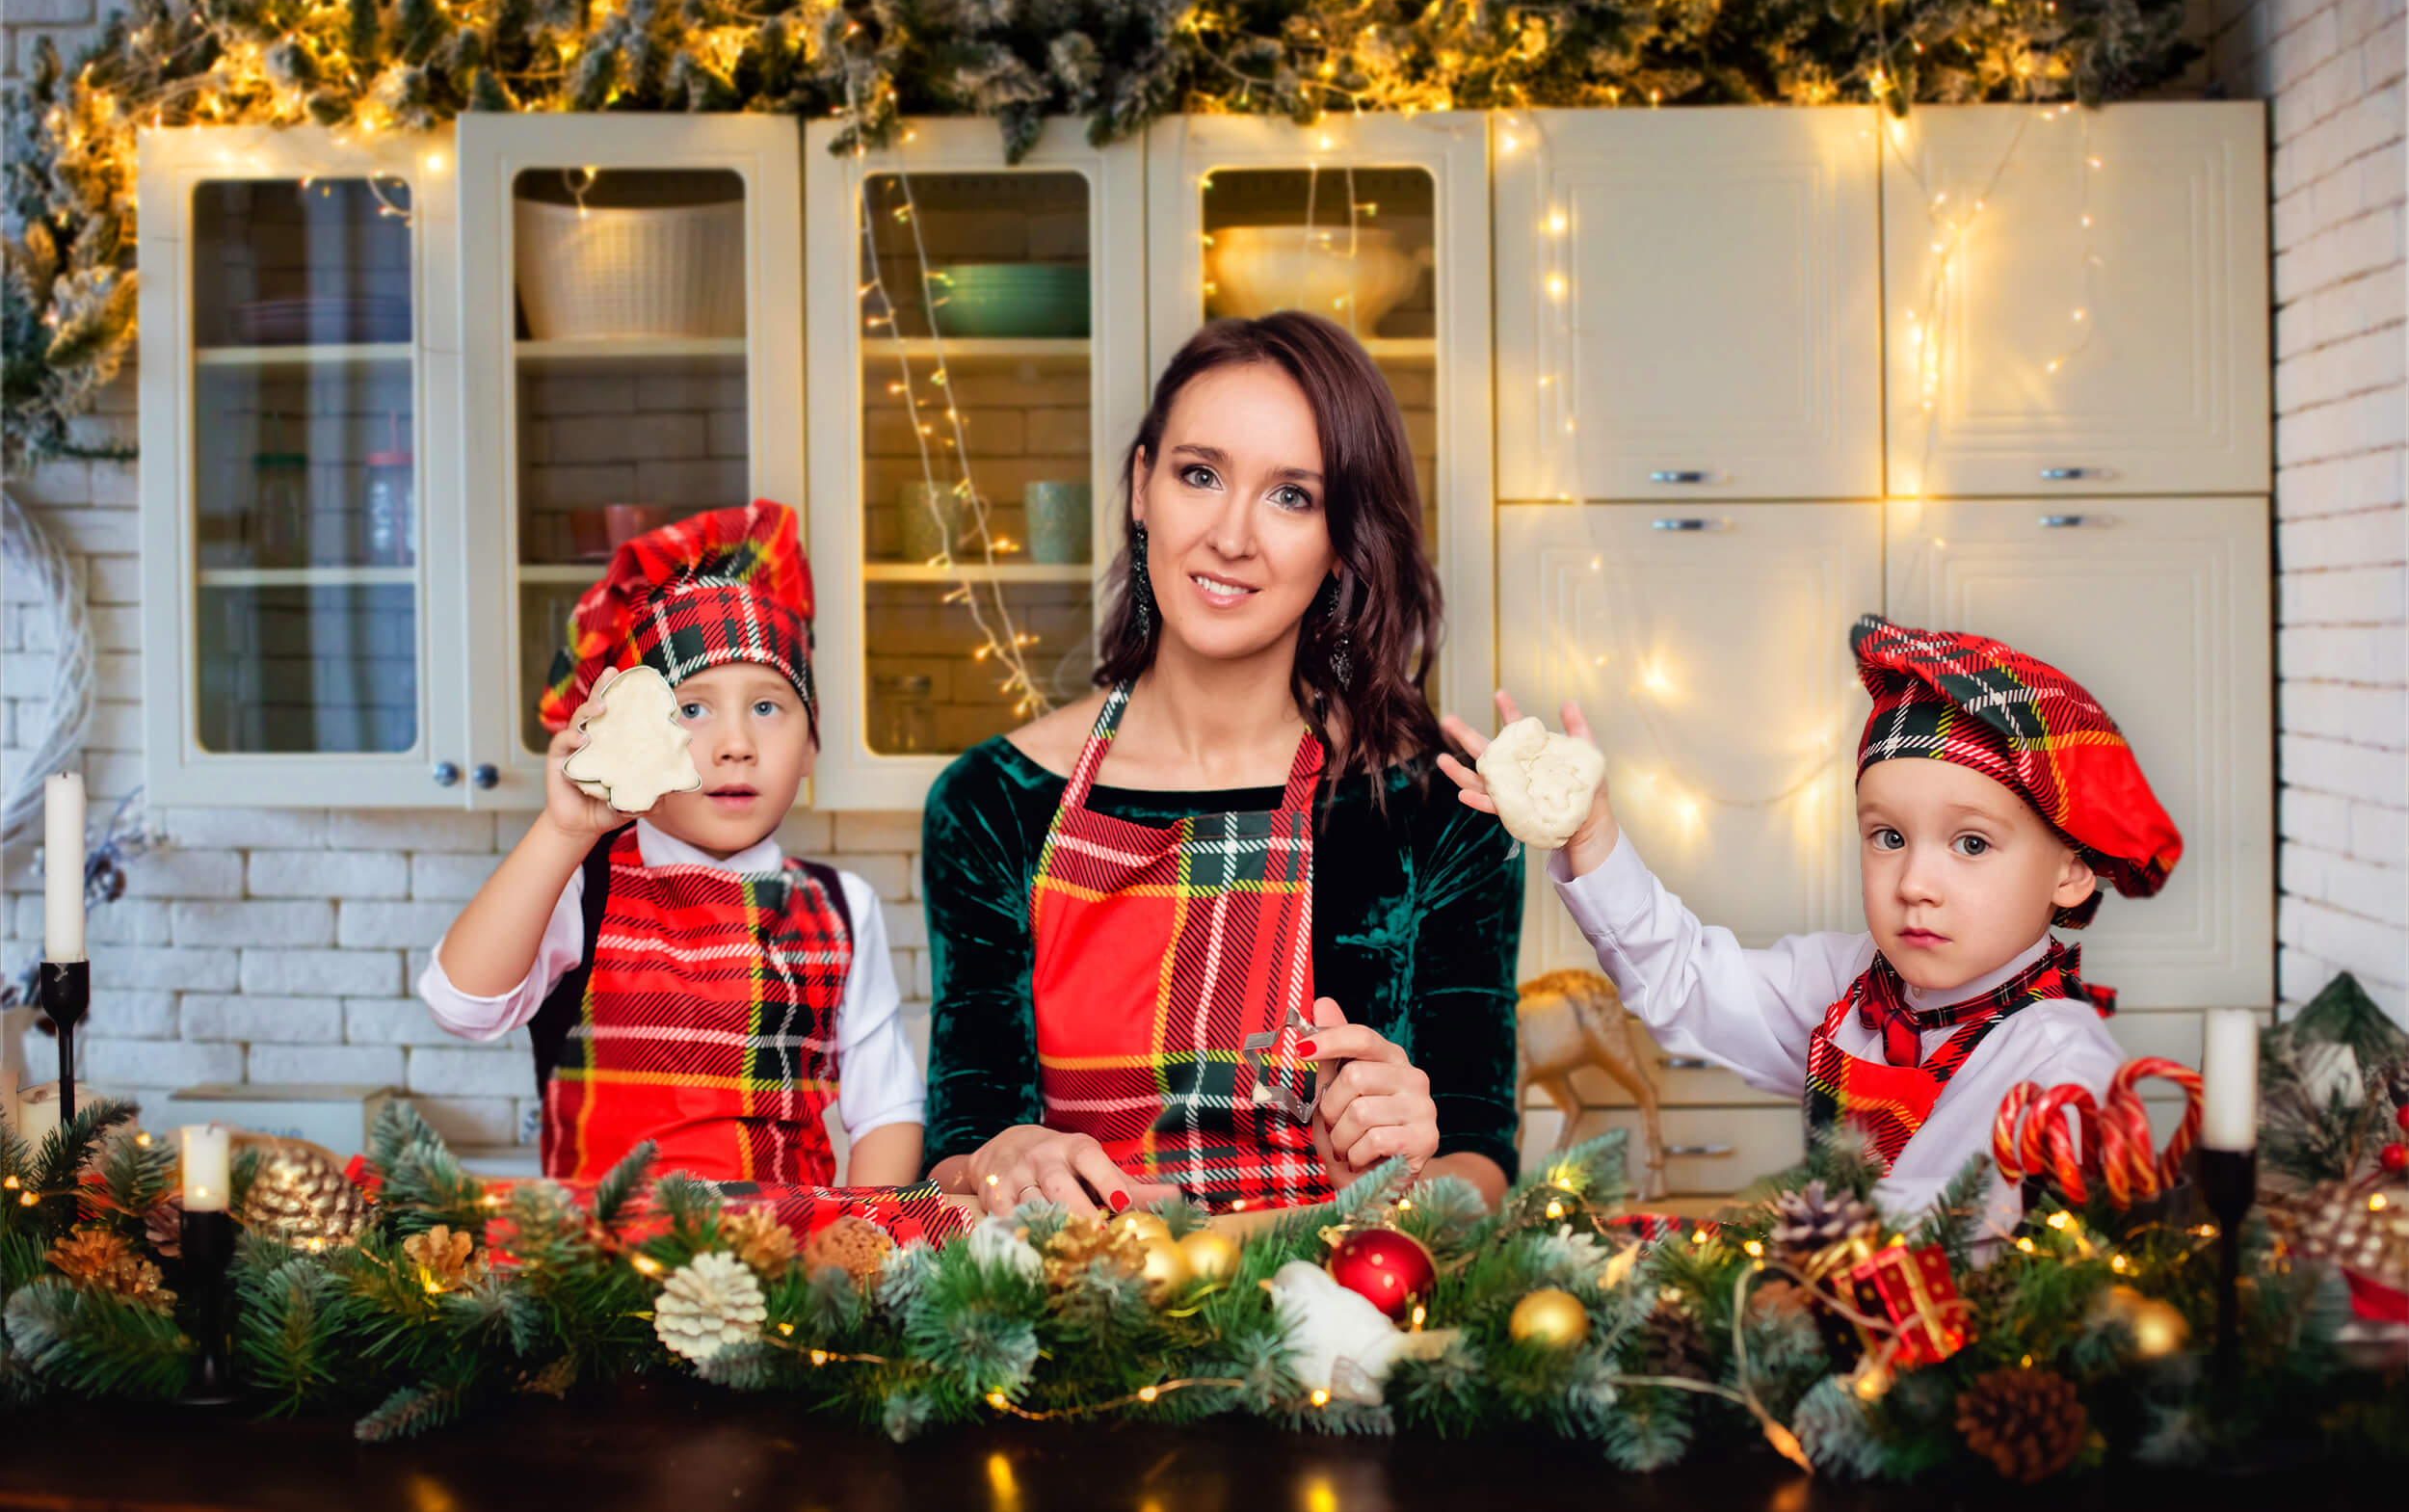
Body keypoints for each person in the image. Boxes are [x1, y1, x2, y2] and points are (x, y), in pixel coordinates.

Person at [921, 313, 1524, 1219]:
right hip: (1075, 1318)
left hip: (1334, 1330)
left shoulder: (1435, 810)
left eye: (1293, 496)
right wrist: (1004, 1153)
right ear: (1141, 487)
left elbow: (1480, 1160)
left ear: (1341, 543)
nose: (1231, 537)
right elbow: (956, 1153)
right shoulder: (991, 805)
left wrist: (1397, 1167)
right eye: (1199, 475)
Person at [1441, 616, 2184, 1233]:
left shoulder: (2062, 1063)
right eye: (1888, 837)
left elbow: (2002, 1257)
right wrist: (1591, 836)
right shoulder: (1851, 984)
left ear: (2073, 869)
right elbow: (1686, 979)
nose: (1916, 885)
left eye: (1971, 843)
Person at [416, 499, 928, 1201]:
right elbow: (462, 1006)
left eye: (768, 706)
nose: (735, 744)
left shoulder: (842, 907)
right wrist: (563, 832)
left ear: (812, 746)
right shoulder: (582, 884)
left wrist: (862, 1245)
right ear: (634, 737)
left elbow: (888, 1112)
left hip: (783, 1280)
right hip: (601, 1283)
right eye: (692, 709)